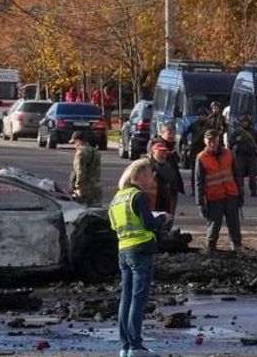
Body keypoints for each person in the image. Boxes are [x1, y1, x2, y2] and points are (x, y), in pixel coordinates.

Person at [109, 158, 168, 357]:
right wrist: (162, 217)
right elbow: (149, 223)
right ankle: (136, 345)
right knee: (138, 298)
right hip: (141, 250)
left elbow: (114, 225)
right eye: (150, 175)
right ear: (140, 175)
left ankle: (125, 345)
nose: (152, 179)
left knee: (125, 298)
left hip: (123, 251)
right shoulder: (139, 196)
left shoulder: (117, 198)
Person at [195, 131, 243, 253]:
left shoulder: (229, 154)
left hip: (231, 195)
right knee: (213, 227)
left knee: (234, 226)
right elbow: (198, 182)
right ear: (205, 142)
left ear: (218, 140)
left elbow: (237, 175)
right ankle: (210, 249)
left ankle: (236, 248)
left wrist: (240, 193)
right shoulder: (201, 157)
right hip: (214, 197)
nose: (212, 143)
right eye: (209, 141)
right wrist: (200, 203)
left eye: (214, 140)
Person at [229, 115, 257, 197]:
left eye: (246, 121)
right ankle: (239, 191)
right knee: (239, 175)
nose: (245, 123)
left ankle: (253, 190)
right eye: (243, 122)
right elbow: (230, 143)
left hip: (252, 156)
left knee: (252, 175)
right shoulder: (237, 132)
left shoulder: (254, 132)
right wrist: (236, 140)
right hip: (240, 156)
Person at [147, 140, 183, 216]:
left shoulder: (168, 166)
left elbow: (173, 182)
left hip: (166, 201)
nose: (163, 154)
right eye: (160, 151)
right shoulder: (148, 165)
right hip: (152, 201)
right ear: (153, 152)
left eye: (164, 151)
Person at [69, 131, 102, 206]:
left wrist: (78, 186)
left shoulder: (81, 153)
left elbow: (80, 171)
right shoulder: (95, 151)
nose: (74, 145)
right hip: (96, 187)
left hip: (85, 188)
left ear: (78, 140)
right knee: (96, 211)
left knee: (80, 211)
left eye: (74, 142)